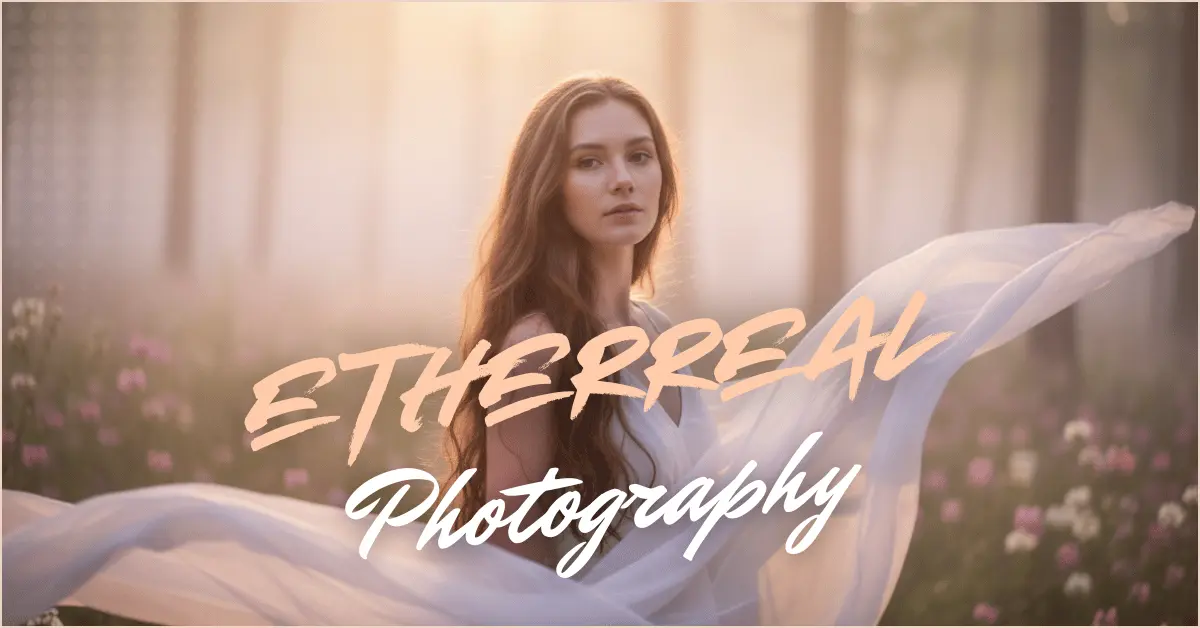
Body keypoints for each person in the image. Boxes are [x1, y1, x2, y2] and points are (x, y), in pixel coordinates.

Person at [2, 75, 1194, 626]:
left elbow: (719, 473)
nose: (622, 177)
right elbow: (512, 546)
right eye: (590, 158)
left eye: (638, 154)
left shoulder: (667, 337)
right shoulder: (534, 341)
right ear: (548, 186)